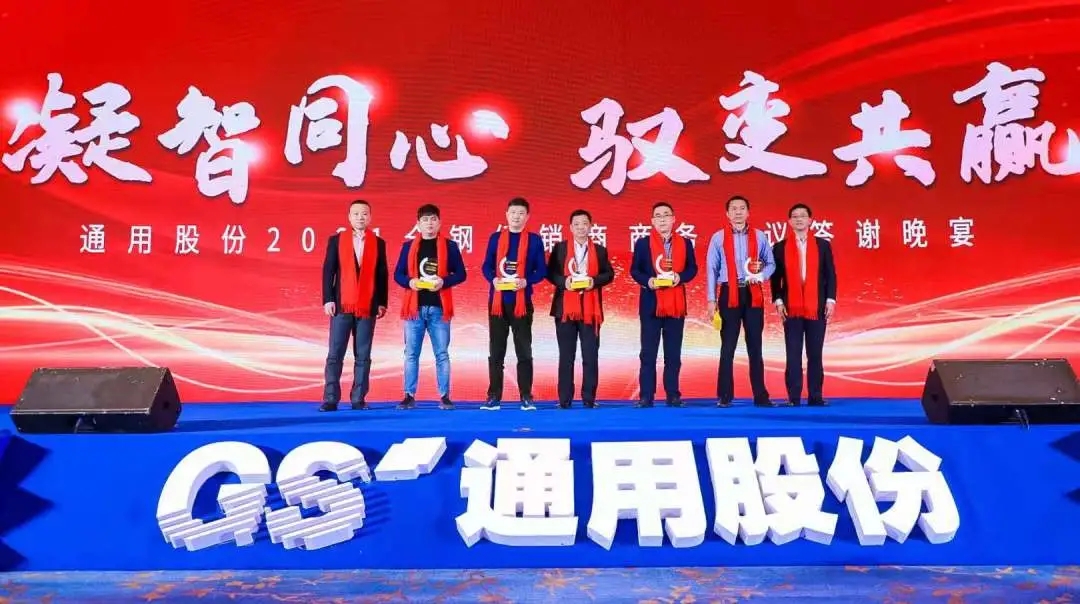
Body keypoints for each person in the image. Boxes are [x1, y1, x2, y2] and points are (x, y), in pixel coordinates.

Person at [393, 204, 468, 410]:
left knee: (442, 354)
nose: (429, 223)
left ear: (439, 222)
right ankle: (409, 395)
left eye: (433, 219)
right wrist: (410, 282)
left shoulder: (450, 246)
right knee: (411, 354)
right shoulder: (408, 247)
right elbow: (398, 274)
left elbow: (461, 274)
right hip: (414, 308)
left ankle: (444, 396)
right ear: (418, 224)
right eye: (425, 220)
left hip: (439, 308)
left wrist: (444, 281)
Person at [705, 195, 776, 408]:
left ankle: (761, 396)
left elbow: (771, 263)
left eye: (742, 208)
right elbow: (712, 269)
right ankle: (725, 396)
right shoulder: (718, 238)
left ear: (748, 212)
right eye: (734, 209)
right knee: (728, 347)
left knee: (755, 347)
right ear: (727, 214)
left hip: (753, 293)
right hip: (729, 293)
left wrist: (761, 276)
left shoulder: (759, 236)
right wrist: (711, 300)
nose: (738, 212)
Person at [320, 199, 389, 411]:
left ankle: (358, 399)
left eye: (365, 214)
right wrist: (328, 299)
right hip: (342, 305)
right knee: (335, 354)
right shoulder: (336, 240)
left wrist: (381, 302)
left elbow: (382, 275)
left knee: (363, 355)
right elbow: (328, 271)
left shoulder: (378, 243)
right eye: (356, 214)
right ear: (349, 217)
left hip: (367, 306)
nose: (361, 217)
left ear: (370, 217)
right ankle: (330, 399)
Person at [480, 197, 547, 410]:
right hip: (498, 303)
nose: (516, 217)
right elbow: (486, 266)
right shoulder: (495, 238)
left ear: (527, 217)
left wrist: (527, 281)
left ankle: (526, 396)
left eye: (521, 213)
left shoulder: (534, 240)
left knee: (524, 351)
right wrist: (493, 279)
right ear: (506, 215)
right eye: (513, 213)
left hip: (522, 303)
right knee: (496, 352)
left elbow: (541, 270)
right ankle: (493, 397)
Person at [630, 201, 698, 408]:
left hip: (676, 305)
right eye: (658, 216)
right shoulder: (643, 243)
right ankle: (646, 396)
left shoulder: (685, 243)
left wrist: (680, 277)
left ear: (673, 219)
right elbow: (635, 270)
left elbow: (692, 269)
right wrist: (648, 281)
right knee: (648, 353)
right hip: (651, 305)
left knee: (673, 354)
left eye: (666, 215)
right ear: (652, 221)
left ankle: (673, 395)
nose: (662, 219)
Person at [545, 209, 614, 409]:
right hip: (565, 310)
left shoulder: (599, 250)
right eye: (576, 224)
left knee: (590, 355)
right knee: (566, 356)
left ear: (590, 226)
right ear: (570, 227)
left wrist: (594, 281)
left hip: (591, 310)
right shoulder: (560, 248)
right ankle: (564, 400)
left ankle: (589, 399)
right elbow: (550, 273)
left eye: (584, 224)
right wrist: (564, 282)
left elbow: (609, 274)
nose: (581, 228)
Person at [770, 203, 837, 406]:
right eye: (795, 216)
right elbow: (776, 278)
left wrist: (830, 300)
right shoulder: (780, 247)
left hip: (817, 307)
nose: (799, 219)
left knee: (815, 354)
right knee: (793, 354)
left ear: (810, 220)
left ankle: (816, 396)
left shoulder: (822, 245)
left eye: (803, 216)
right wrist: (778, 301)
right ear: (789, 222)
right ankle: (793, 397)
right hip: (791, 308)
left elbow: (830, 275)